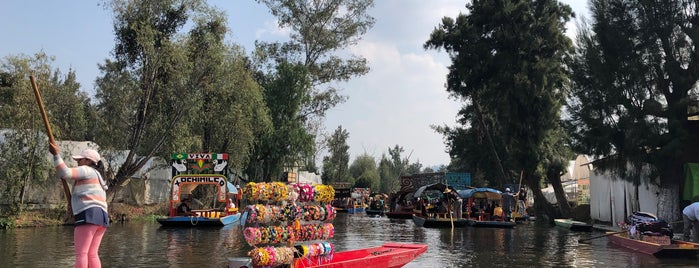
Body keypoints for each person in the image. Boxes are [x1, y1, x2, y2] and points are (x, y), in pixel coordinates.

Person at [49, 143, 109, 268]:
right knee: (92, 254)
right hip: (102, 218)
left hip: (89, 215)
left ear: (88, 161)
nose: (77, 162)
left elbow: (64, 173)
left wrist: (56, 155)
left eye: (80, 160)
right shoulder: (99, 177)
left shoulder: (87, 170)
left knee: (81, 253)